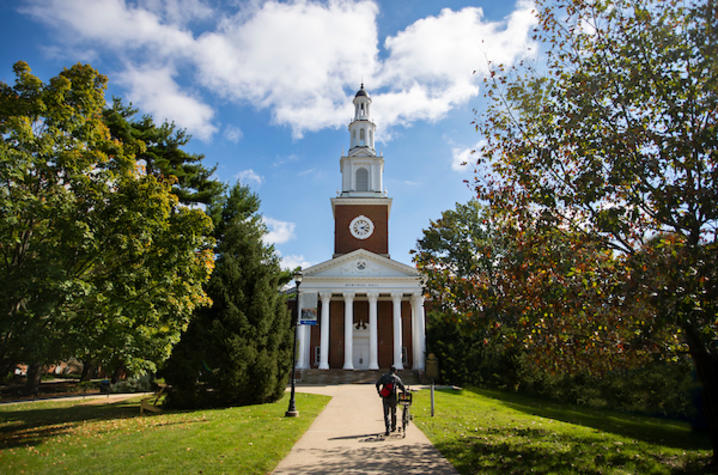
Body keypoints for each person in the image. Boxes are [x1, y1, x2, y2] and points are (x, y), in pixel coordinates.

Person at [375, 366, 406, 436]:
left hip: (385, 397)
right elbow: (402, 387)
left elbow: (377, 384)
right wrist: (405, 392)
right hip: (393, 397)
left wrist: (379, 392)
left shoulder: (384, 377)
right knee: (393, 413)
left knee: (386, 414)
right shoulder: (396, 378)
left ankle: (387, 429)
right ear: (395, 371)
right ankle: (393, 427)